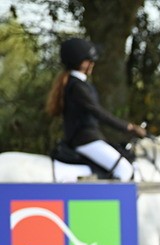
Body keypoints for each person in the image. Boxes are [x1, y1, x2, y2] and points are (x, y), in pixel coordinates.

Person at [44, 37, 146, 180]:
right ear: (80, 63)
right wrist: (128, 127)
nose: (93, 63)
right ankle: (113, 203)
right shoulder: (77, 86)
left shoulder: (79, 84)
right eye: (89, 60)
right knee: (124, 169)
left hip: (88, 139)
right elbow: (97, 112)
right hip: (86, 140)